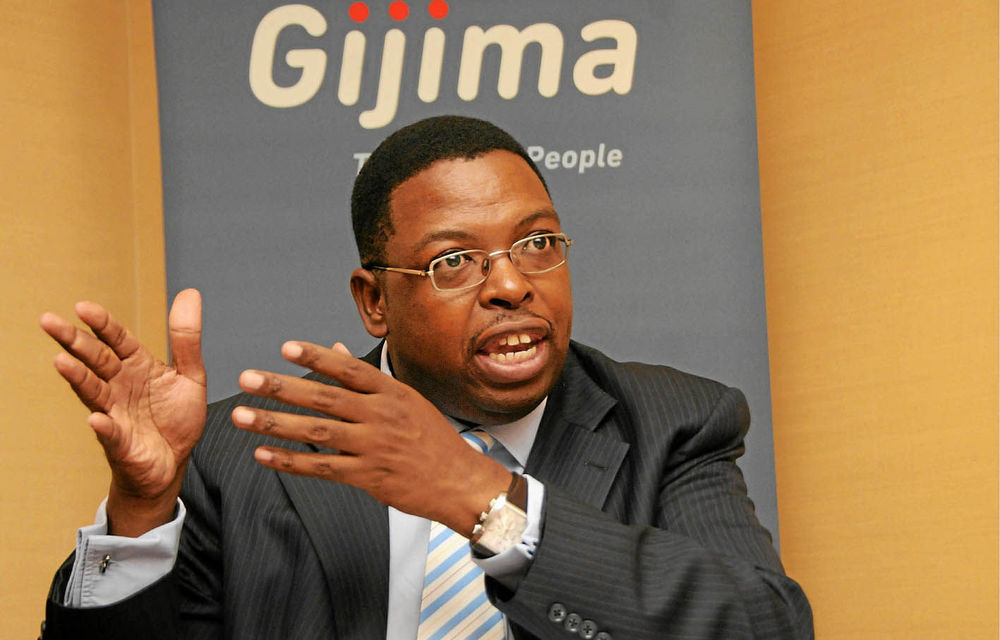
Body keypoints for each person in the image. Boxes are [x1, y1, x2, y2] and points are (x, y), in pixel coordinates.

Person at [38, 115, 813, 639]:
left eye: (537, 243)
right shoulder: (237, 456)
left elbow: (765, 626)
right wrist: (139, 515)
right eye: (455, 261)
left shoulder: (672, 422)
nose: (511, 284)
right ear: (374, 301)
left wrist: (482, 498)